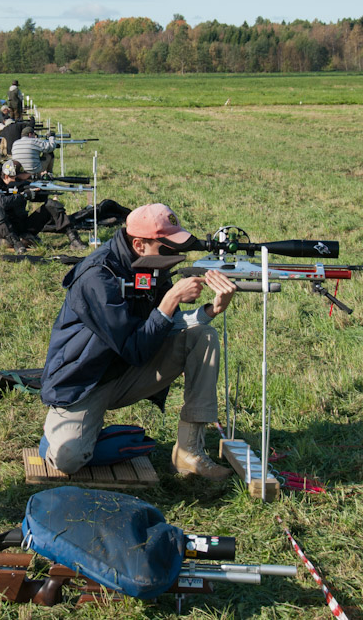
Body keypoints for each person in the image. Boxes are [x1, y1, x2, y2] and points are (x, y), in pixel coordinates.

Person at [39, 204, 238, 481]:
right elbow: (135, 347)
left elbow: (165, 330)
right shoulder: (98, 276)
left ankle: (189, 451)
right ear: (139, 245)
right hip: (83, 383)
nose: (175, 257)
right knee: (68, 459)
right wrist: (170, 301)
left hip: (125, 372)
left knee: (202, 336)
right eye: (167, 249)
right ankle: (60, 436)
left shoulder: (151, 264)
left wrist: (209, 311)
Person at [0, 159, 84, 253]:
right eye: (17, 178)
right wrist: (22, 196)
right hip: (3, 231)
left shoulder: (20, 184)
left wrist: (40, 190)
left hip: (22, 225)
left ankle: (74, 239)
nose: (19, 180)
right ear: (6, 176)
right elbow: (3, 202)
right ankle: (16, 243)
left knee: (52, 205)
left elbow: (39, 198)